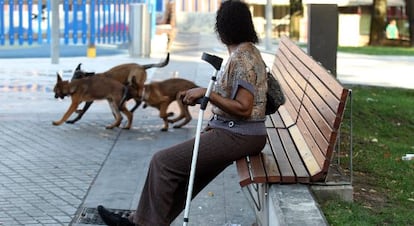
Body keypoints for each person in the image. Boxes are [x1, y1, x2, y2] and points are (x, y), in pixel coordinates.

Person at [97, 1, 269, 225]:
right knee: (187, 174)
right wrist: (205, 98)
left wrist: (208, 95)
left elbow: (244, 108)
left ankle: (142, 224)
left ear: (223, 28)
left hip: (240, 135)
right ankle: (141, 220)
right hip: (236, 132)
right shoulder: (243, 53)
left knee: (163, 162)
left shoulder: (244, 58)